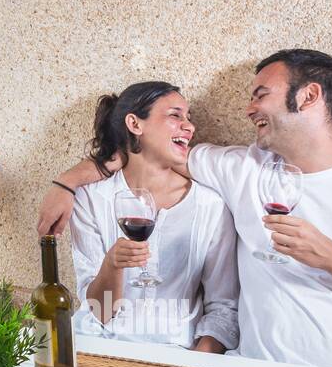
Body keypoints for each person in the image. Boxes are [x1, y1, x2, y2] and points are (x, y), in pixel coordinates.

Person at [39, 49, 332, 367]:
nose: (249, 108)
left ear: (309, 96)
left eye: (261, 94)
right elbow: (145, 153)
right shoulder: (244, 171)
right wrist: (67, 183)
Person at [66, 82, 239, 352]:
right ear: (135, 124)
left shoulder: (210, 205)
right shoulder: (92, 199)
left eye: (189, 118)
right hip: (100, 347)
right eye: (175, 115)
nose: (189, 126)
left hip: (179, 353)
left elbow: (223, 307)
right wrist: (112, 266)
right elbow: (99, 312)